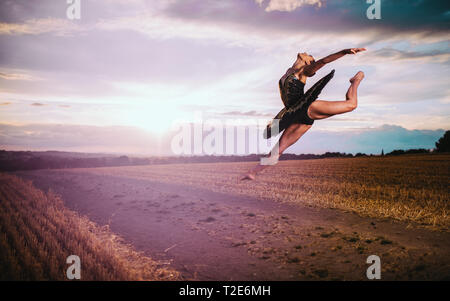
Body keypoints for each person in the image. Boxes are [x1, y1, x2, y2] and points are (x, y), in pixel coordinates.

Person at [241, 48, 366, 180]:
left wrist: (344, 52)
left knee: (352, 104)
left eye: (310, 56)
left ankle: (356, 81)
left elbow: (324, 61)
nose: (307, 53)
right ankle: (253, 172)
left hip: (308, 108)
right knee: (279, 150)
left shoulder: (303, 71)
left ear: (307, 63)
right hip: (294, 115)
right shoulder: (289, 71)